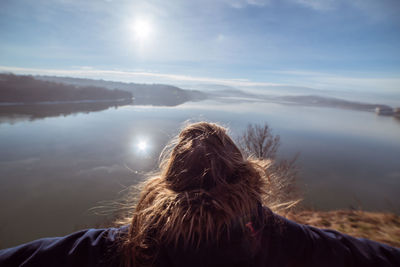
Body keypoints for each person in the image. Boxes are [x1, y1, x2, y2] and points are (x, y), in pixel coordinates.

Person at [1, 121, 399, 267]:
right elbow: (359, 253)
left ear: (168, 179)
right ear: (245, 177)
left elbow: (34, 256)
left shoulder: (125, 246)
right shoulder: (290, 241)